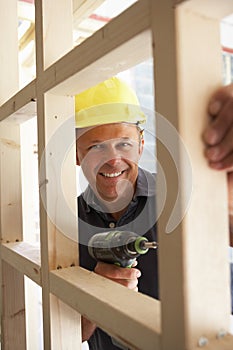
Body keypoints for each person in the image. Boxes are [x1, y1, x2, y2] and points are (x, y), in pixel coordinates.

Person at [75, 77, 233, 350]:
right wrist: (94, 301)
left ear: (140, 144)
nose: (113, 159)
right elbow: (70, 330)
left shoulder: (184, 195)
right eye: (96, 146)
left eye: (124, 143)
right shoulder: (68, 223)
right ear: (76, 154)